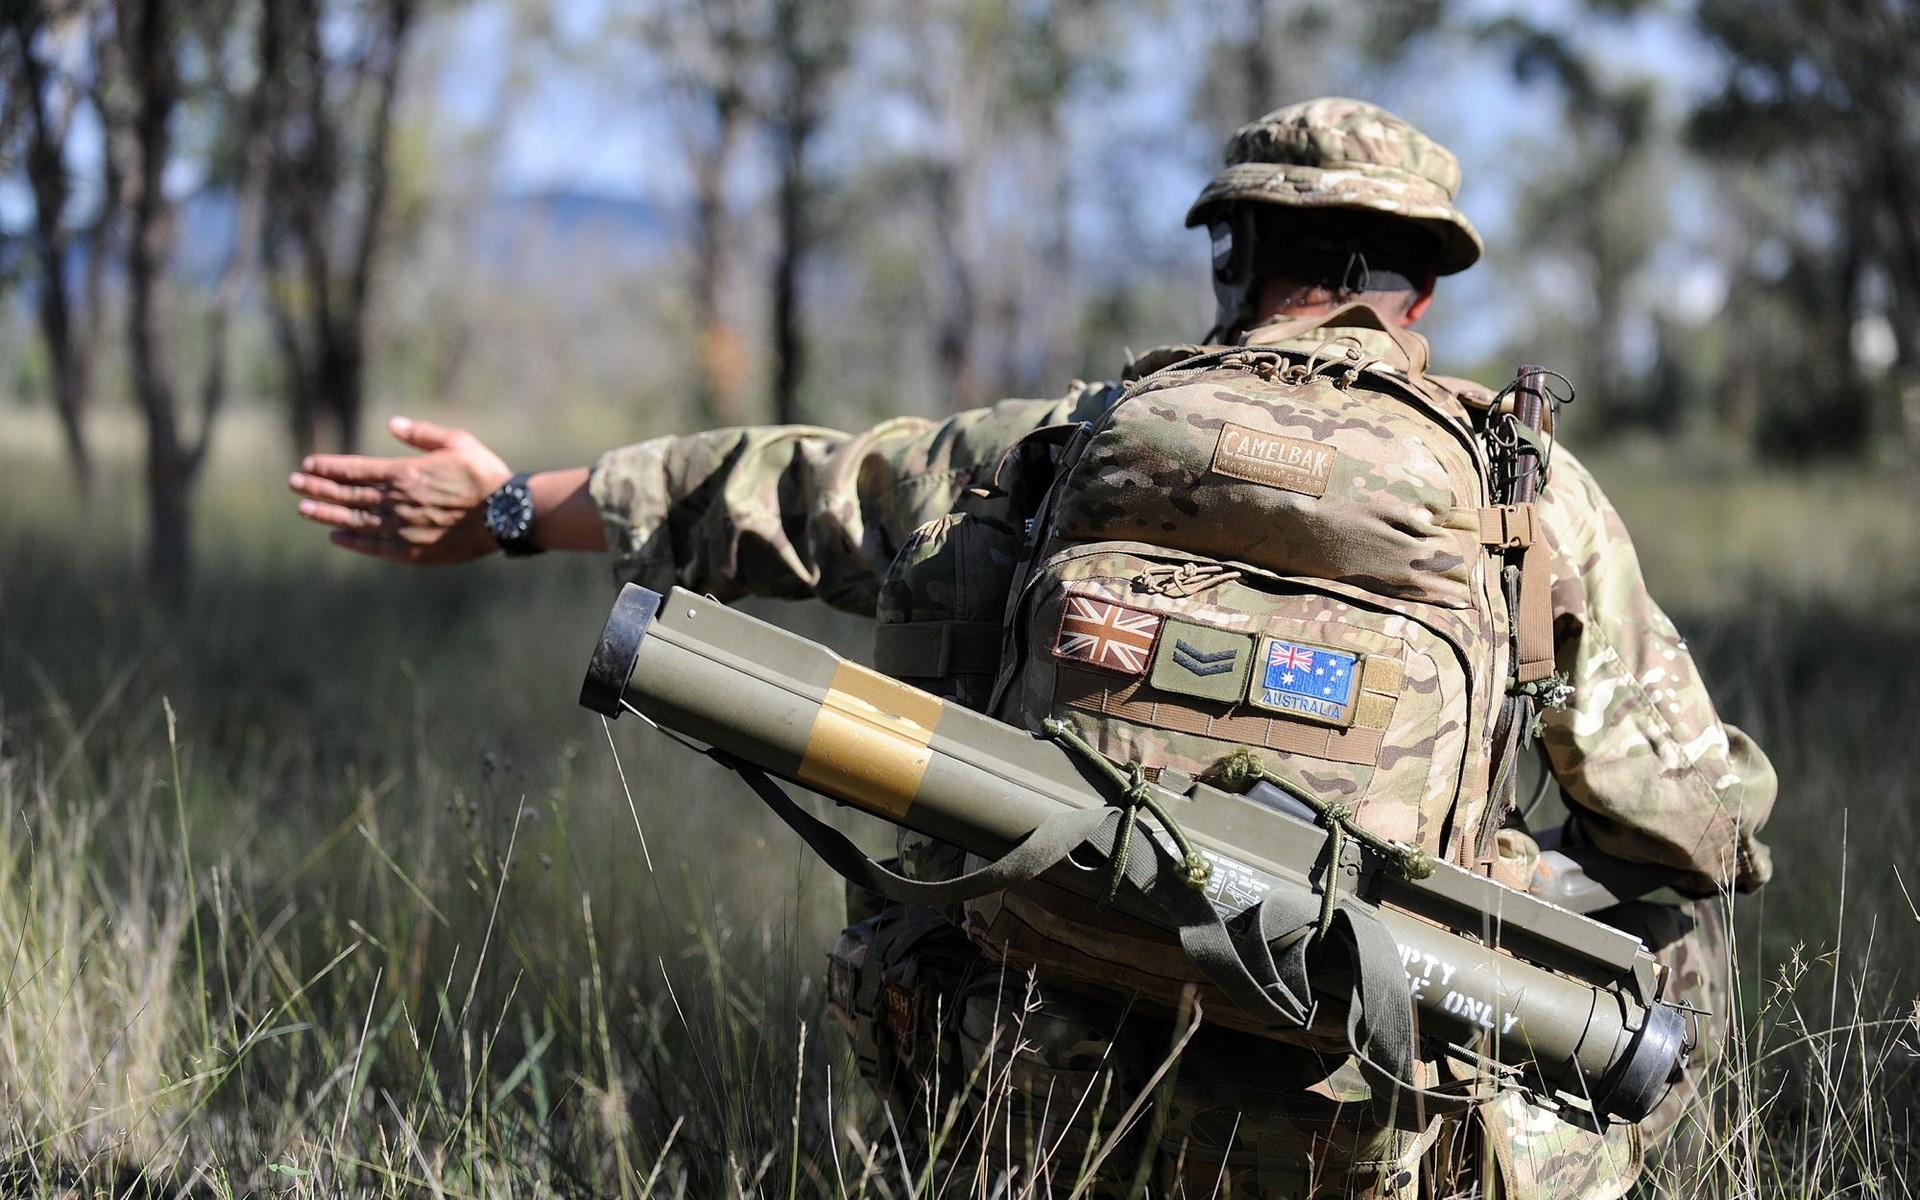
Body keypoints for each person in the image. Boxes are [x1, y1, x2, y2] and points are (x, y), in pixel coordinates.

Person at [289, 98, 1774, 1198]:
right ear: (1421, 295)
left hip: (1027, 1108)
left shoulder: (1052, 452)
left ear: (1237, 259)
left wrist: (497, 507)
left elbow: (777, 491)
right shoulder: (1532, 508)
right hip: (1372, 1129)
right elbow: (1693, 822)